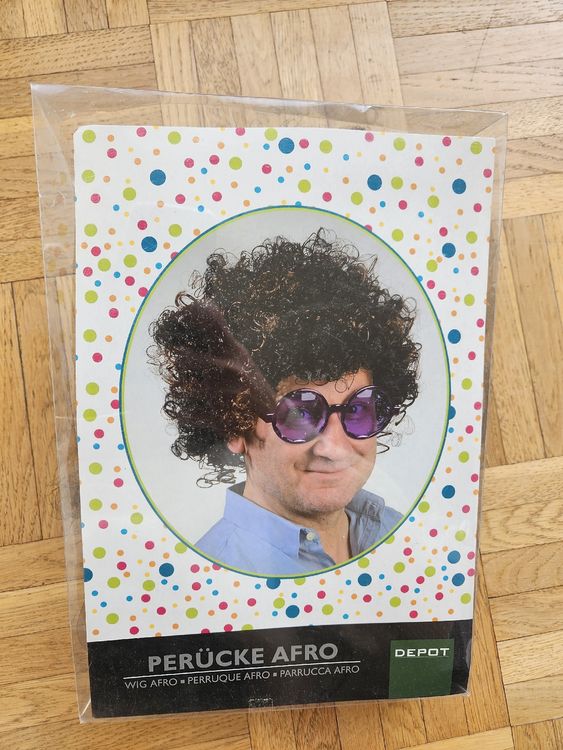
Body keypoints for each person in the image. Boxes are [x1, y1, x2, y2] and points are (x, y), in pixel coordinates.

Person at [149, 229, 420, 575]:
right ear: (234, 427)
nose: (334, 448)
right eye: (300, 414)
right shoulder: (210, 584)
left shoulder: (407, 538)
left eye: (357, 409)